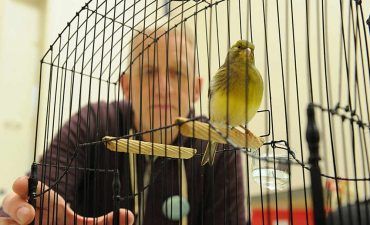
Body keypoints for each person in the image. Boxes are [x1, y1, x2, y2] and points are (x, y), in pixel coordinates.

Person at [0, 26, 246, 225]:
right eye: (149, 72)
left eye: (177, 73)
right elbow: (40, 194)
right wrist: (23, 212)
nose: (162, 88)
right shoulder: (91, 124)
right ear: (126, 85)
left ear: (196, 88)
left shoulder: (219, 146)